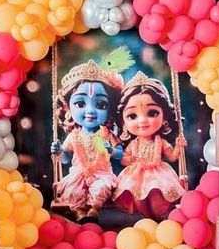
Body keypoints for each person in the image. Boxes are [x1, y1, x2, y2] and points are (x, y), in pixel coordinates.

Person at [51, 59, 125, 221]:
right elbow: (65, 159)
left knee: (101, 188)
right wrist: (59, 152)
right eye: (80, 103)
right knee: (73, 190)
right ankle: (80, 213)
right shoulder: (74, 135)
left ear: (109, 110)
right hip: (78, 174)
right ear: (68, 108)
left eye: (100, 105)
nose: (90, 111)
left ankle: (93, 211)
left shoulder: (105, 134)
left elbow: (122, 155)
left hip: (102, 174)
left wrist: (112, 151)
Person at [113, 71, 187, 220]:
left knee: (155, 195)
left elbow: (172, 157)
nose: (142, 121)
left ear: (164, 118)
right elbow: (124, 160)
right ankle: (148, 220)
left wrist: (179, 146)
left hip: (159, 175)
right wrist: (128, 158)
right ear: (123, 123)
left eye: (152, 113)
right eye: (132, 116)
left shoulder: (161, 141)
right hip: (136, 175)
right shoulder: (133, 144)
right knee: (139, 197)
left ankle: (160, 218)